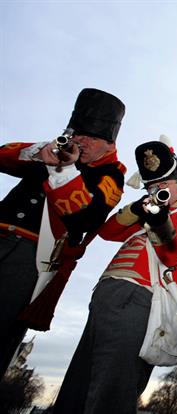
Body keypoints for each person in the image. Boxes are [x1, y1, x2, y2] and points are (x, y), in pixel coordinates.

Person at [52, 139, 177, 413]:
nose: (156, 191)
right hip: (107, 296)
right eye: (151, 187)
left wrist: (160, 219)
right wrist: (137, 209)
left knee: (112, 390)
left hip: (138, 298)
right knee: (78, 386)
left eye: (164, 185)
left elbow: (172, 254)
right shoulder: (145, 216)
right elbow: (108, 232)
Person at [0, 88, 127, 376]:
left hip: (29, 256)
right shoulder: (53, 152)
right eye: (75, 133)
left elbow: (84, 217)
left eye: (89, 138)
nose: (79, 141)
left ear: (108, 143)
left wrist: (64, 171)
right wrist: (39, 153)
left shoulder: (112, 175)